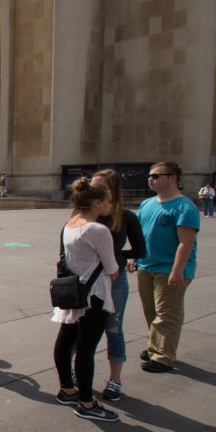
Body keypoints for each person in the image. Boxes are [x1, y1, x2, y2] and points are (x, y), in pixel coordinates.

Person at [51, 178, 120, 421]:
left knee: (66, 339)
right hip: (94, 295)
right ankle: (87, 403)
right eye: (109, 202)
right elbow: (112, 269)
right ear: (97, 203)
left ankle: (67, 388)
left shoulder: (69, 224)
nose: (111, 206)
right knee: (86, 348)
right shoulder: (98, 230)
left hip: (73, 291)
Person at [137, 161, 200, 372]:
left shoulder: (184, 207)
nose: (150, 179)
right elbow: (141, 236)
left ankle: (163, 357)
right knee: (150, 311)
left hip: (169, 268)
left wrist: (177, 270)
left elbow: (186, 242)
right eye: (150, 176)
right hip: (146, 265)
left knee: (166, 314)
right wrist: (134, 257)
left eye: (156, 176)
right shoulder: (147, 204)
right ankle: (154, 346)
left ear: (172, 178)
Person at [89, 169, 146, 401]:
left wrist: (116, 259)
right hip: (88, 280)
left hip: (114, 279)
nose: (92, 191)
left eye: (97, 186)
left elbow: (140, 250)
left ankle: (115, 380)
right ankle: (76, 371)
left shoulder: (125, 216)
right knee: (81, 328)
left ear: (111, 190)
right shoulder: (85, 213)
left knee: (113, 328)